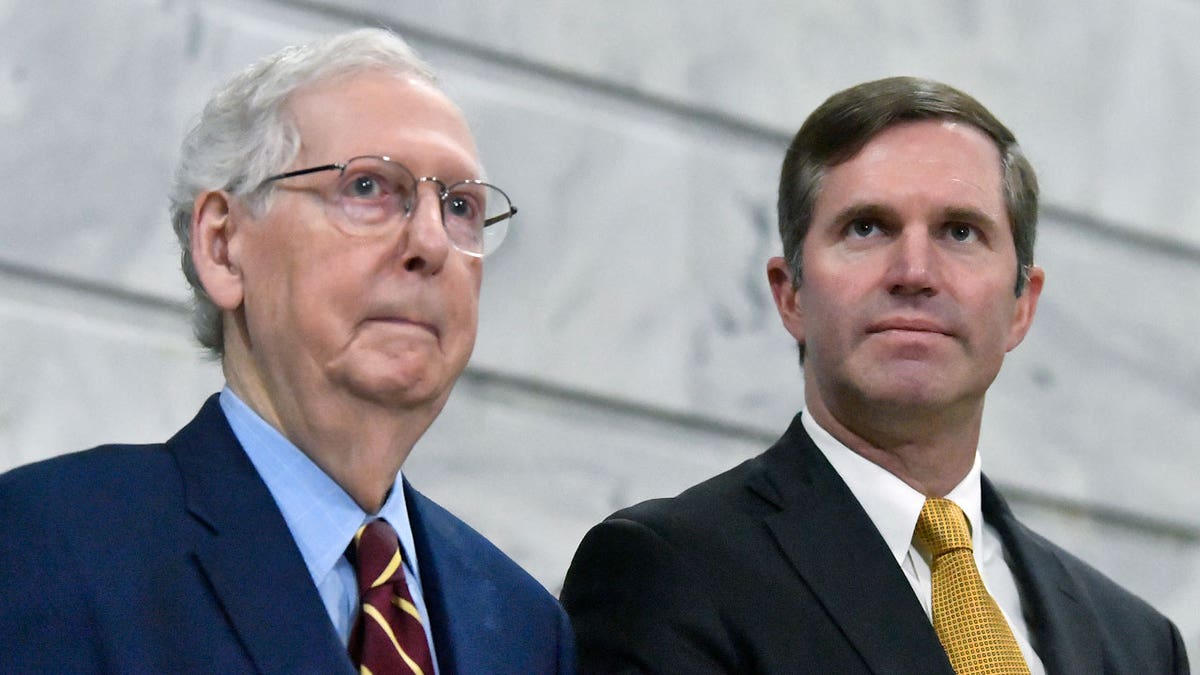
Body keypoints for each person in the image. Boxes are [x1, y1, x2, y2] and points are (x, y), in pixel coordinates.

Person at [560, 77, 1188, 674]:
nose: (914, 270)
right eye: (867, 227)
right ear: (791, 295)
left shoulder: (1137, 644)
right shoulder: (669, 572)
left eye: (960, 232)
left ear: (1022, 305)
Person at [0, 28, 574, 673]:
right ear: (222, 245)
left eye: (460, 205)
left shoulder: (527, 630)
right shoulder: (48, 547)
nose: (431, 243)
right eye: (368, 188)